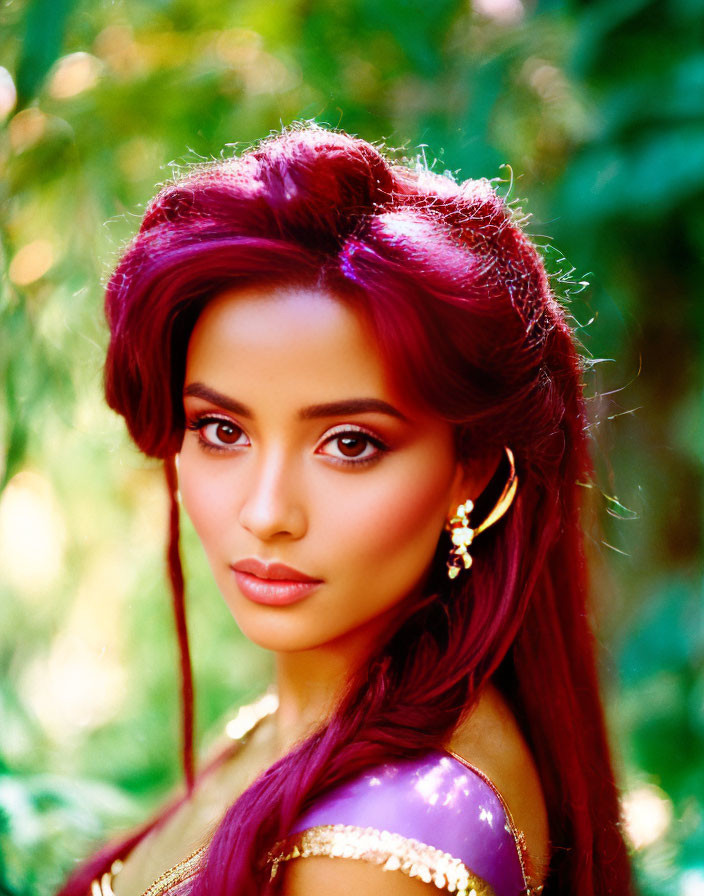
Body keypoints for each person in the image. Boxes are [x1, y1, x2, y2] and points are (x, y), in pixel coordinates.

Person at [58, 124, 633, 896]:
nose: (266, 514)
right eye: (221, 430)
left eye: (351, 444)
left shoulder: (369, 852)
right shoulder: (293, 725)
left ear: (472, 472)